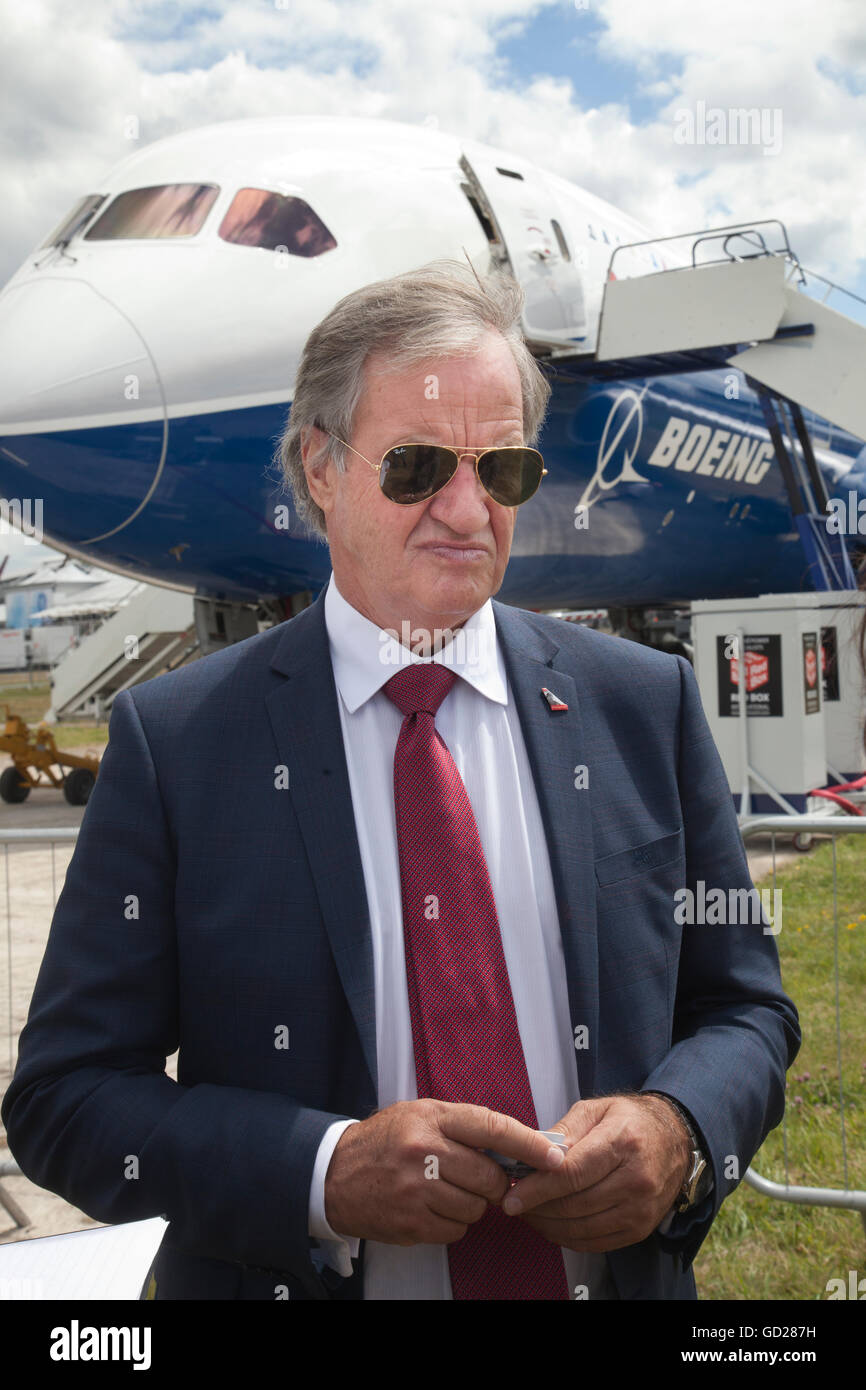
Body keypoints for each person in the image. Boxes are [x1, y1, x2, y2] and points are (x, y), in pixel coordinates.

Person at [1, 259, 800, 1300]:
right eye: (418, 465)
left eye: (501, 469)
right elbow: (66, 1101)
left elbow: (743, 1010)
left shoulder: (643, 704)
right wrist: (321, 1171)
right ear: (321, 467)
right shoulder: (178, 742)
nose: (466, 509)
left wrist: (678, 1128)